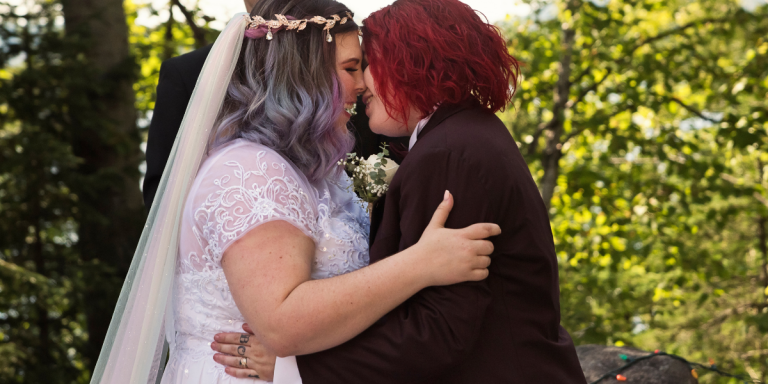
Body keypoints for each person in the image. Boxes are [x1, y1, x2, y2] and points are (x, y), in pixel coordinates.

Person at [88, 1, 499, 383]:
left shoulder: (312, 171)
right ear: (305, 74)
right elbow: (282, 323)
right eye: (351, 68)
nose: (362, 84)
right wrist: (421, 264)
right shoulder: (249, 172)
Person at [214, 0, 587, 383]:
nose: (361, 84)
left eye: (369, 63)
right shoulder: (467, 135)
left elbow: (440, 330)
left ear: (409, 62)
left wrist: (293, 367)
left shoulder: (448, 153)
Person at [142, 0, 397, 209]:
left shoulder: (343, 41)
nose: (360, 83)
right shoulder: (189, 73)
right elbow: (163, 192)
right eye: (350, 69)